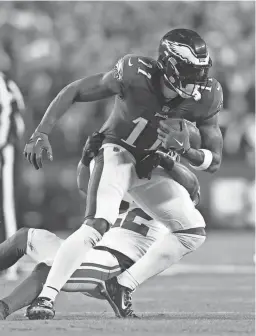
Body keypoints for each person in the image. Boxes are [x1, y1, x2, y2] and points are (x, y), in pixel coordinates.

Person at [23, 28, 223, 319]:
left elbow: (214, 162)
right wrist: (42, 131)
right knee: (97, 225)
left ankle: (122, 286)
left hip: (151, 164)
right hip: (117, 152)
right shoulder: (134, 73)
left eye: (201, 72)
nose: (199, 81)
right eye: (192, 72)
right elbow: (76, 89)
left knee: (192, 231)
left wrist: (187, 151)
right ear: (169, 65)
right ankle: (45, 297)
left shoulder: (207, 95)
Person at [0, 135, 204, 320]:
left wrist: (167, 162)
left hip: (113, 266)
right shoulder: (129, 175)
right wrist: (86, 159)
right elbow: (86, 188)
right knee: (23, 237)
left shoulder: (174, 188)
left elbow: (192, 187)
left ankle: (4, 307)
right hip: (90, 250)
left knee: (50, 267)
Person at [0, 71, 25, 280]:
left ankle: (11, 264)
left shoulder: (2, 81)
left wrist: (2, 144)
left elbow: (8, 113)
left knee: (7, 204)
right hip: (7, 145)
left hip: (4, 149)